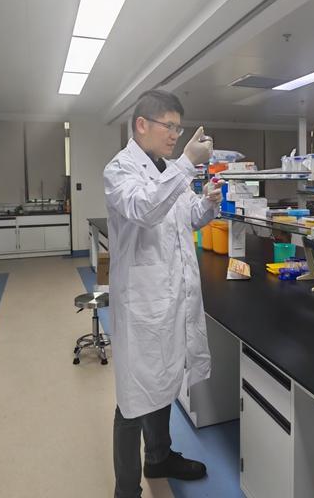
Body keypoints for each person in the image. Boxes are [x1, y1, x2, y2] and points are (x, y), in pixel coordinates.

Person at [103, 90, 224, 498]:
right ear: (142, 125)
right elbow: (146, 209)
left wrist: (207, 203)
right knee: (133, 397)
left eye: (178, 128)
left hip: (171, 297)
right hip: (142, 302)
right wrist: (188, 163)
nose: (175, 135)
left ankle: (159, 457)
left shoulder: (168, 169)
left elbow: (187, 217)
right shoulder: (119, 170)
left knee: (163, 381)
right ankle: (126, 490)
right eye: (169, 126)